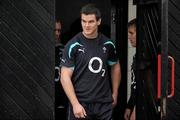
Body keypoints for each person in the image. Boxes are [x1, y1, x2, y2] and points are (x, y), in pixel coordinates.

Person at [60, 4, 121, 120]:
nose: (86, 25)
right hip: (81, 104)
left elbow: (115, 66)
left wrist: (115, 93)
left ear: (99, 21)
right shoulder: (73, 45)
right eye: (84, 21)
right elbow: (64, 77)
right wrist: (75, 104)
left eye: (91, 22)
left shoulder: (108, 44)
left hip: (104, 104)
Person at [54, 19, 67, 119]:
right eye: (55, 30)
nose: (57, 34)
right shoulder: (40, 50)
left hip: (62, 97)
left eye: (59, 30)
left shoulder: (65, 50)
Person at [124, 18, 136, 120]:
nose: (129, 37)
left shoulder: (146, 57)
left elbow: (146, 86)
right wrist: (129, 106)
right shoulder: (137, 57)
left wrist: (136, 109)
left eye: (131, 33)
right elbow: (135, 85)